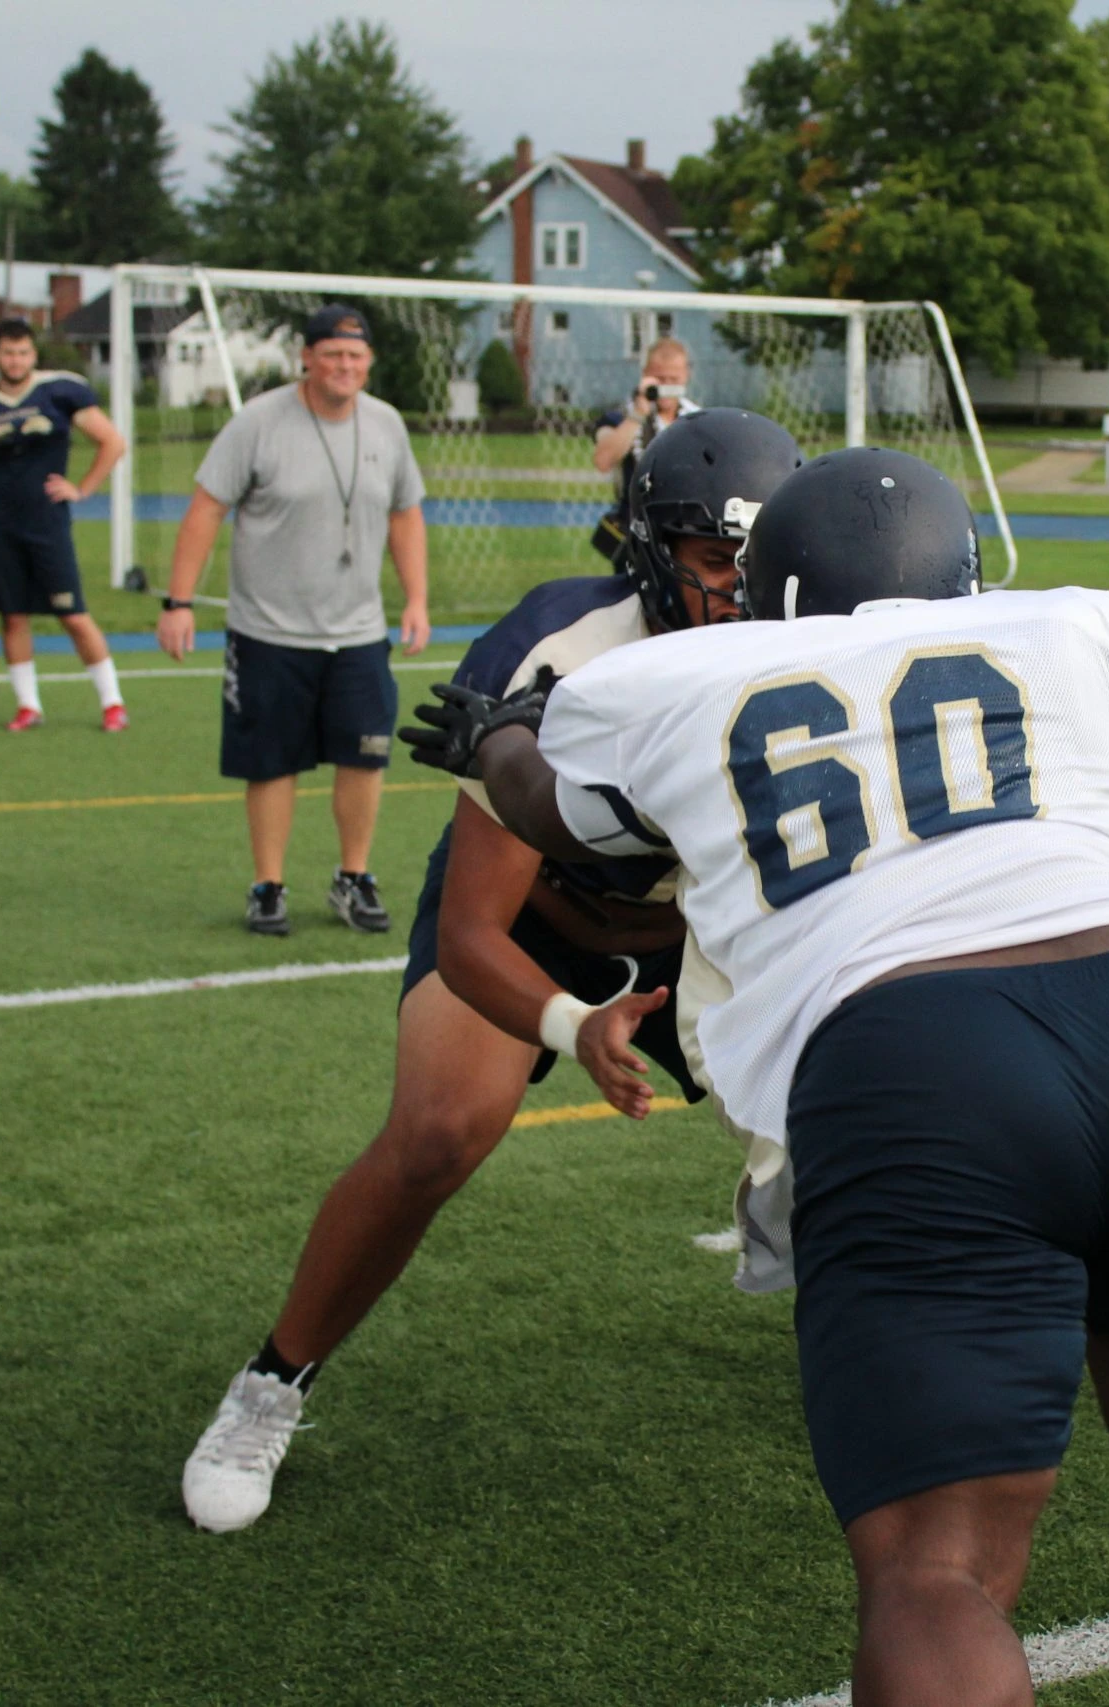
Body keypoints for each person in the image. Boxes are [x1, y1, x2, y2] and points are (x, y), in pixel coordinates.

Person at [432, 447, 1109, 1707]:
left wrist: (495, 732)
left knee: (937, 1570)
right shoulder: (1069, 640)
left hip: (925, 1068)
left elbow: (556, 815)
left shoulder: (682, 675)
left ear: (768, 594)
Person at [177, 408, 804, 1535]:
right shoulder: (560, 651)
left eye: (761, 559)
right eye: (717, 559)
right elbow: (475, 932)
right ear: (655, 551)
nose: (741, 587)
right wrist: (574, 1025)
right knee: (436, 1134)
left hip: (712, 930)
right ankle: (272, 1382)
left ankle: (906, 1355)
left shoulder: (807, 645)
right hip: (543, 922)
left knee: (862, 1122)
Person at [157, 304, 430, 938]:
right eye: (333, 354)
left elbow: (405, 514)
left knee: (365, 758)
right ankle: (268, 884)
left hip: (358, 631)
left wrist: (415, 598)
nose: (345, 366)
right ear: (306, 358)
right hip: (268, 632)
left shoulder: (386, 425)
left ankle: (353, 877)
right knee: (271, 764)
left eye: (356, 356)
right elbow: (205, 509)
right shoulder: (258, 423)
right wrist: (178, 602)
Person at [0, 317, 130, 733]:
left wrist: (82, 488)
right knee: (13, 615)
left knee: (73, 614)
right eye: (8, 352)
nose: (16, 360)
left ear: (34, 354)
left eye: (24, 352)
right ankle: (28, 704)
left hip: (46, 523)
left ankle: (112, 702)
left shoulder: (58, 392)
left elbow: (113, 441)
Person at [587, 337, 698, 564]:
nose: (666, 386)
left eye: (673, 379)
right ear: (646, 374)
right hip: (636, 533)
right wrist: (639, 412)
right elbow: (603, 460)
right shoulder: (621, 416)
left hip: (684, 532)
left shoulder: (697, 418)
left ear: (686, 375)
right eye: (659, 379)